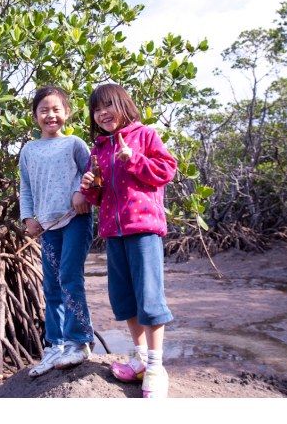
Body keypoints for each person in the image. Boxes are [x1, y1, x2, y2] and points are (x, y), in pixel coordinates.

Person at [79, 83, 176, 398]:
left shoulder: (145, 135)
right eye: (97, 109)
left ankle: (157, 367)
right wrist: (90, 186)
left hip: (143, 228)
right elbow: (97, 195)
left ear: (124, 104)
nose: (103, 113)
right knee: (123, 298)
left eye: (108, 105)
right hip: (112, 232)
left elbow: (166, 171)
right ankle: (139, 359)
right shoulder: (98, 148)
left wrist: (133, 159)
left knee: (149, 298)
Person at [19, 86, 94, 377]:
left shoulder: (74, 143)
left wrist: (80, 192)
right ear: (35, 116)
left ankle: (80, 341)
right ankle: (55, 344)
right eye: (44, 110)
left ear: (67, 113)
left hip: (75, 219)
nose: (50, 115)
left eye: (56, 110)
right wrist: (27, 218)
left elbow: (92, 174)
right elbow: (25, 186)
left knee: (69, 277)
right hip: (47, 226)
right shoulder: (29, 149)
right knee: (50, 286)